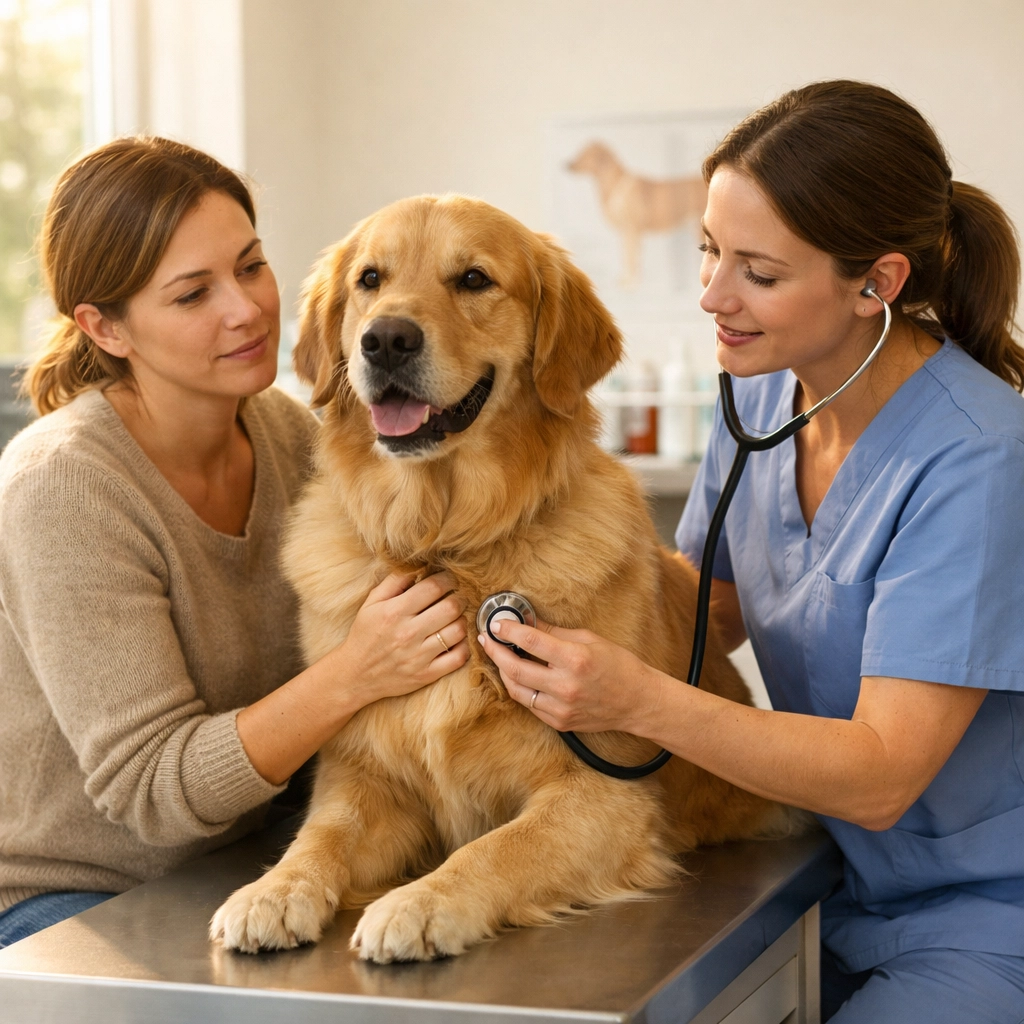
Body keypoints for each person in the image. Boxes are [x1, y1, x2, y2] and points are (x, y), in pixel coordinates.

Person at [479, 81, 1024, 1022]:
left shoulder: (979, 455)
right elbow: (707, 615)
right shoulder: (764, 396)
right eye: (708, 251)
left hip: (981, 911)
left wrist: (638, 697)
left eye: (758, 273)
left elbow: (883, 774)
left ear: (877, 284)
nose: (711, 296)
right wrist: (539, 541)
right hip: (821, 873)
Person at [0, 137, 469, 948]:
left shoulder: (289, 434)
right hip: (79, 902)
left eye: (250, 266)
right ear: (105, 327)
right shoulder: (64, 484)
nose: (246, 309)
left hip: (249, 852)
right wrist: (355, 673)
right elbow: (152, 790)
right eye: (192, 295)